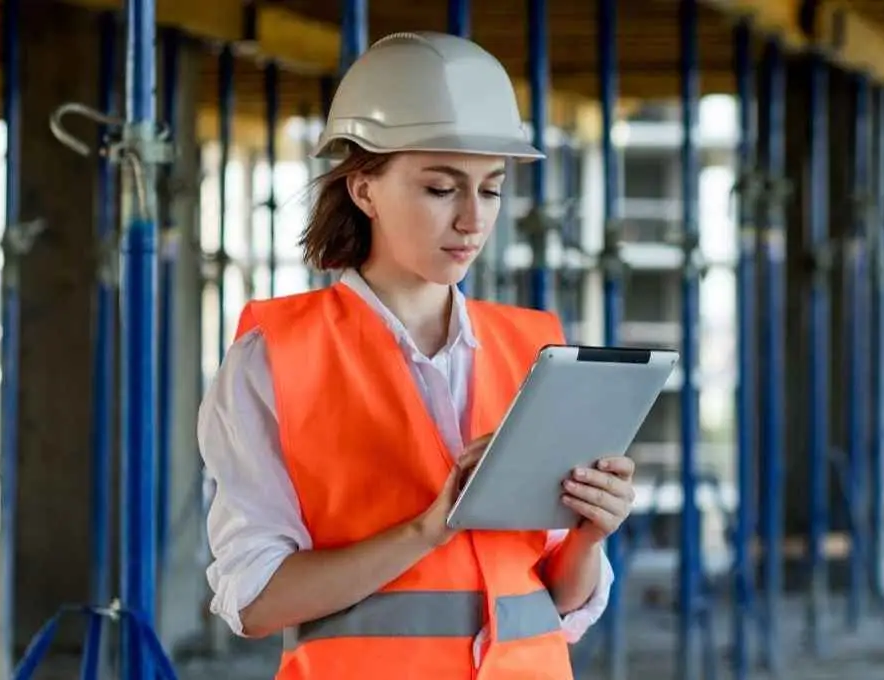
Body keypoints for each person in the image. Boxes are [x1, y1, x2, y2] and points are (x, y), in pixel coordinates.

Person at [197, 31, 636, 679]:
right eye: (440, 188)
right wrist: (427, 530)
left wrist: (592, 533)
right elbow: (257, 603)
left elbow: (555, 603)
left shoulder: (536, 349)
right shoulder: (276, 358)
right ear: (363, 189)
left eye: (489, 190)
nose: (472, 221)